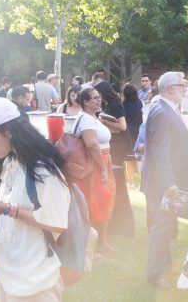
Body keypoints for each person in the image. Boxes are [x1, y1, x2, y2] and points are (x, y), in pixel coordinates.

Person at [0, 98, 70, 301]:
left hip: (37, 278)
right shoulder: (12, 162)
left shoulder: (43, 169)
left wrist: (7, 210)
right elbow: (13, 204)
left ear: (9, 132)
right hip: (10, 268)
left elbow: (56, 223)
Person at [141, 71, 188, 290]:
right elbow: (160, 151)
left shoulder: (165, 108)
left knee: (166, 226)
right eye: (181, 85)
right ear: (170, 88)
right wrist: (169, 183)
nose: (185, 88)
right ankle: (155, 275)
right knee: (162, 227)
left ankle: (165, 265)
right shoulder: (162, 111)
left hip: (163, 181)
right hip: (161, 184)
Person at [75, 88, 115, 254]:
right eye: (95, 98)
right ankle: (89, 247)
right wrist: (103, 168)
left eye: (100, 97)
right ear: (85, 101)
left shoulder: (93, 117)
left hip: (103, 160)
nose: (99, 100)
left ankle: (102, 241)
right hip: (95, 164)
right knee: (94, 203)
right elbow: (91, 144)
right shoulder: (85, 119)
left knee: (105, 200)